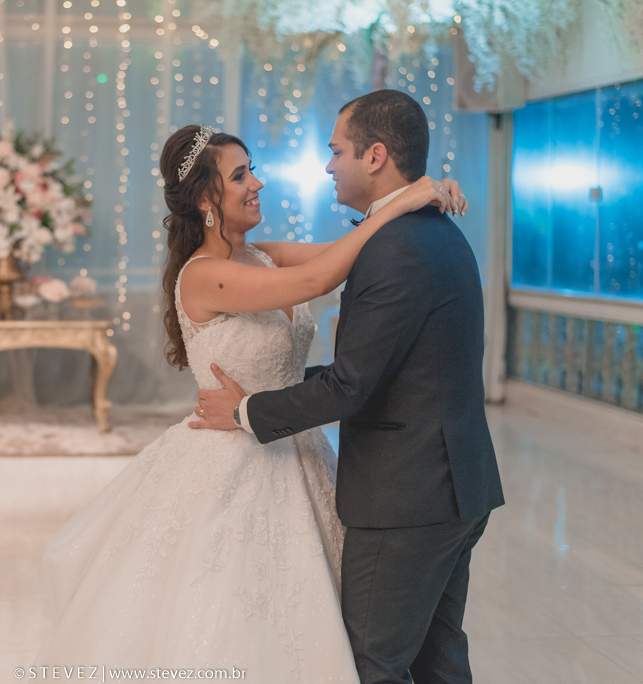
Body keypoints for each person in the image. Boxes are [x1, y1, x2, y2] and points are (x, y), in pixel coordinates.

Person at [33, 114, 464, 681]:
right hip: (231, 456)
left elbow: (356, 252)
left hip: (295, 447)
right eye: (240, 176)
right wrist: (401, 203)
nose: (256, 184)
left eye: (252, 171)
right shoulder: (204, 275)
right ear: (206, 200)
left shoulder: (262, 254)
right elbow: (317, 280)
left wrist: (419, 199)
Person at [191, 90, 505, 684]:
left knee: (375, 664)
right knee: (437, 660)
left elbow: (350, 385)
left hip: (409, 495)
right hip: (454, 482)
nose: (327, 165)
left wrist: (248, 410)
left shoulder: (394, 247)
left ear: (376, 155)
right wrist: (418, 194)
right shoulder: (430, 231)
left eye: (336, 151)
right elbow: (383, 365)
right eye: (242, 174)